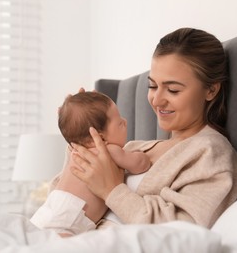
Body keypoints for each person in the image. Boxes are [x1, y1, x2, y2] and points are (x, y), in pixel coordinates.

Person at [31, 27, 237, 235]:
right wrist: (79, 138)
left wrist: (112, 191)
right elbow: (61, 203)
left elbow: (182, 232)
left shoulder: (210, 153)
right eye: (152, 86)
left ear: (211, 90)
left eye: (173, 89)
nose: (157, 99)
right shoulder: (131, 147)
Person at [30, 91, 151, 237]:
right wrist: (141, 154)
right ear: (100, 137)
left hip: (49, 210)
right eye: (119, 123)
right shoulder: (109, 151)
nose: (125, 121)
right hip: (70, 218)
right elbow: (141, 164)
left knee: (35, 240)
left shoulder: (75, 151)